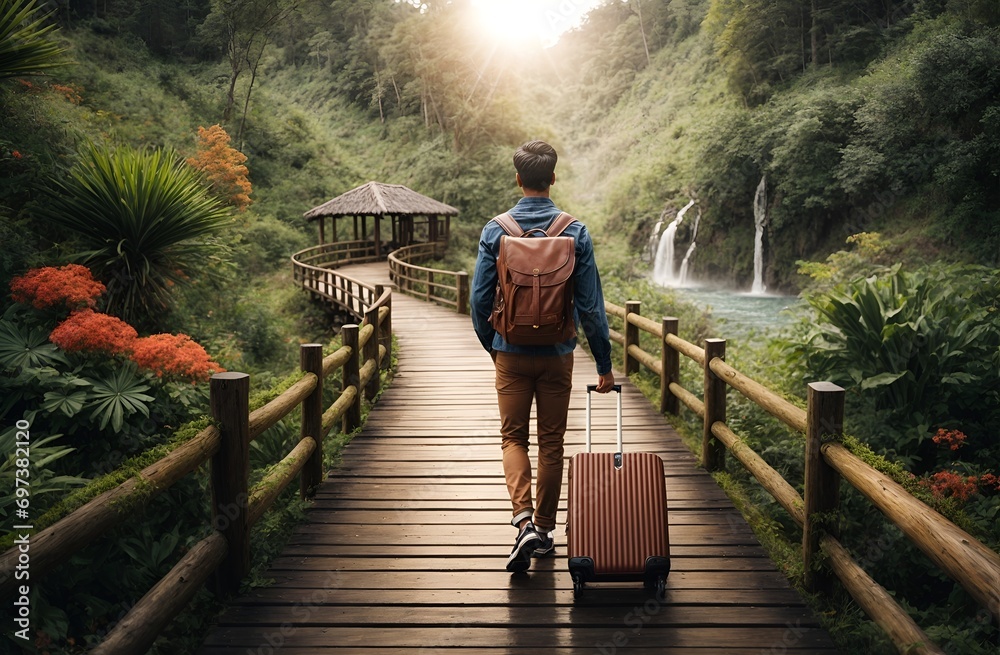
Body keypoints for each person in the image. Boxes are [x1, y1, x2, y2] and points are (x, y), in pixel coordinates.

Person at [471, 140, 615, 573]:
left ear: (518, 178)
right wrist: (604, 364)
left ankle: (523, 522)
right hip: (558, 354)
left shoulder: (496, 230)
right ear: (552, 178)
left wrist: (493, 346)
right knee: (552, 443)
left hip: (510, 353)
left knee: (513, 438)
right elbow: (590, 308)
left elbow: (479, 301)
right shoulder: (575, 231)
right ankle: (547, 532)